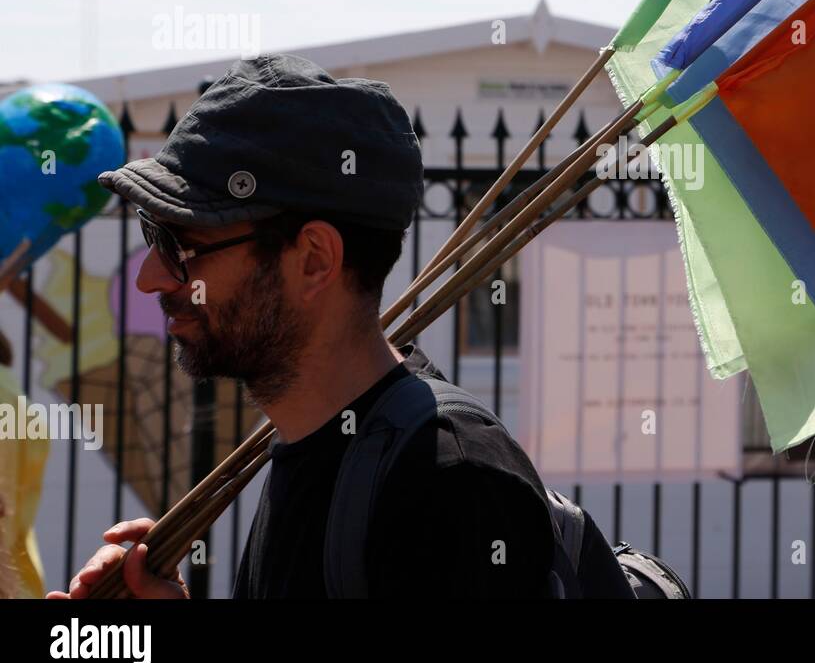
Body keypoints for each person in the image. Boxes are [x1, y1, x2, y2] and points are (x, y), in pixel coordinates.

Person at [47, 54, 628, 599]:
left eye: (181, 243)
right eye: (154, 234)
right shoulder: (309, 445)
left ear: (315, 259)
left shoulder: (448, 482)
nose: (151, 278)